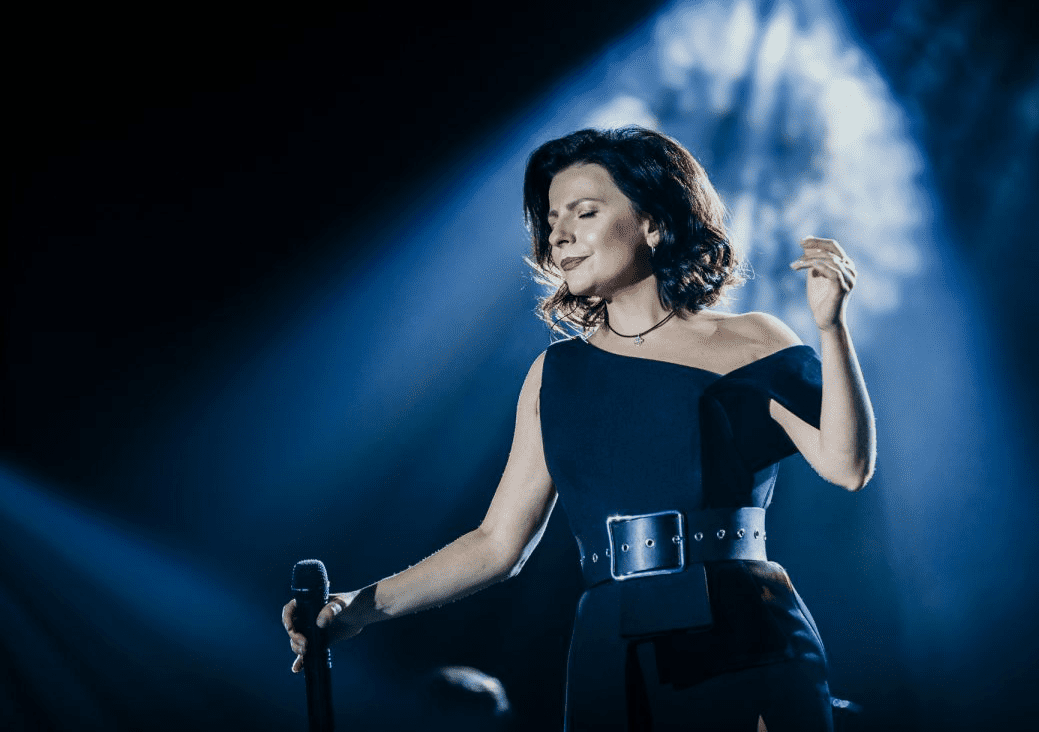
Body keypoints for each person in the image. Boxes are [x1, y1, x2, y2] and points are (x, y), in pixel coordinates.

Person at [283, 127, 876, 731]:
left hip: (744, 634)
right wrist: (358, 608)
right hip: (609, 649)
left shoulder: (753, 339)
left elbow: (847, 466)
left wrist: (831, 328)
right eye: (551, 220)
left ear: (654, 223)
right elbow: (496, 544)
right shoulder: (555, 374)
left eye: (584, 212)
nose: (559, 234)